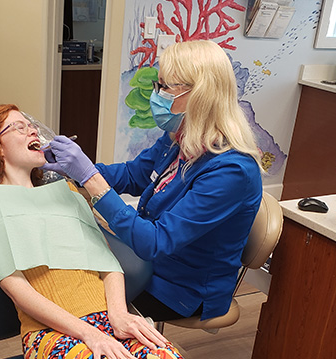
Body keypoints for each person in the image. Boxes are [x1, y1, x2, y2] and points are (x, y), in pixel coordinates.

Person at [42, 40, 263, 323]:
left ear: (201, 95)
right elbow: (134, 175)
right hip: (150, 261)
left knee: (77, 294)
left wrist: (90, 178)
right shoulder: (181, 138)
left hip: (182, 289)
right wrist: (74, 167)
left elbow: (155, 242)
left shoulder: (232, 172)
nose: (156, 95)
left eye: (165, 87)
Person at [0, 104, 183, 359]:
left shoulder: (68, 194)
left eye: (31, 126)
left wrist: (119, 316)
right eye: (19, 127)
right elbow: (19, 291)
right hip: (49, 331)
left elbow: (107, 263)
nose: (32, 132)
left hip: (108, 317)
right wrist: (90, 334)